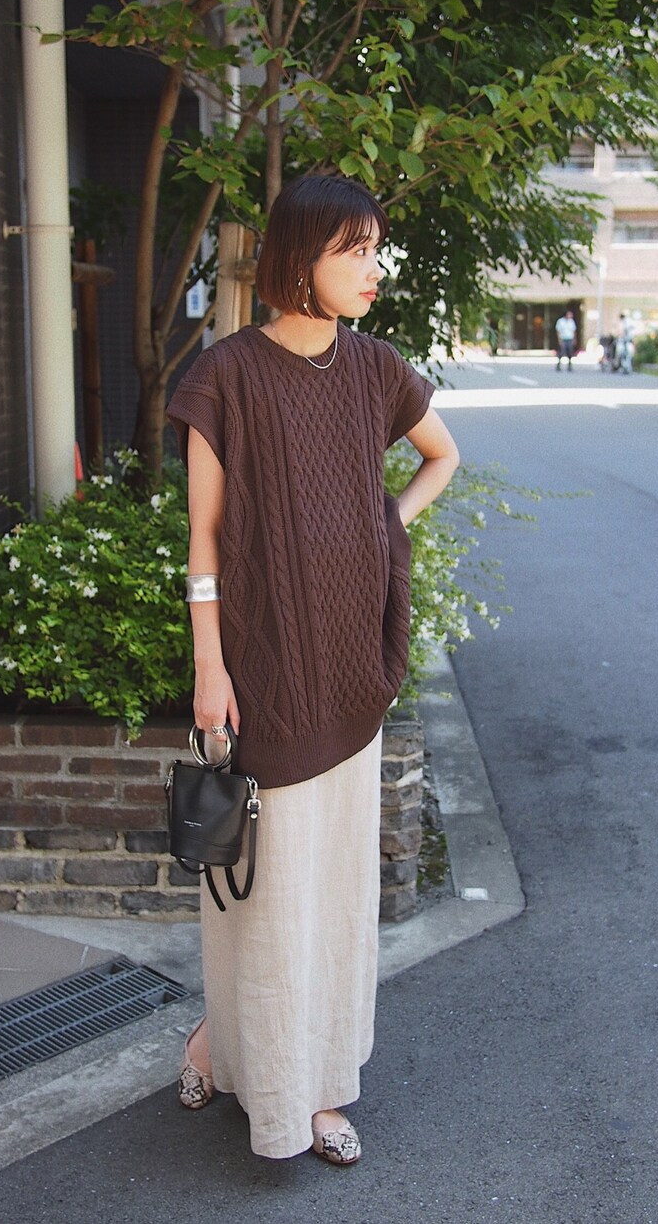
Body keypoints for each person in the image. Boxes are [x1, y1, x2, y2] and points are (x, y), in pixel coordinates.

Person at [166, 175, 459, 1166]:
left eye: (376, 249)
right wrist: (209, 666)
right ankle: (224, 1047)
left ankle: (320, 1085)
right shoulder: (226, 375)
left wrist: (385, 526)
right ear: (299, 259)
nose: (374, 269)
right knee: (260, 892)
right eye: (355, 251)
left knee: (332, 892)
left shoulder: (375, 368)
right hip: (262, 670)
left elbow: (441, 457)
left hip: (349, 667)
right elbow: (204, 539)